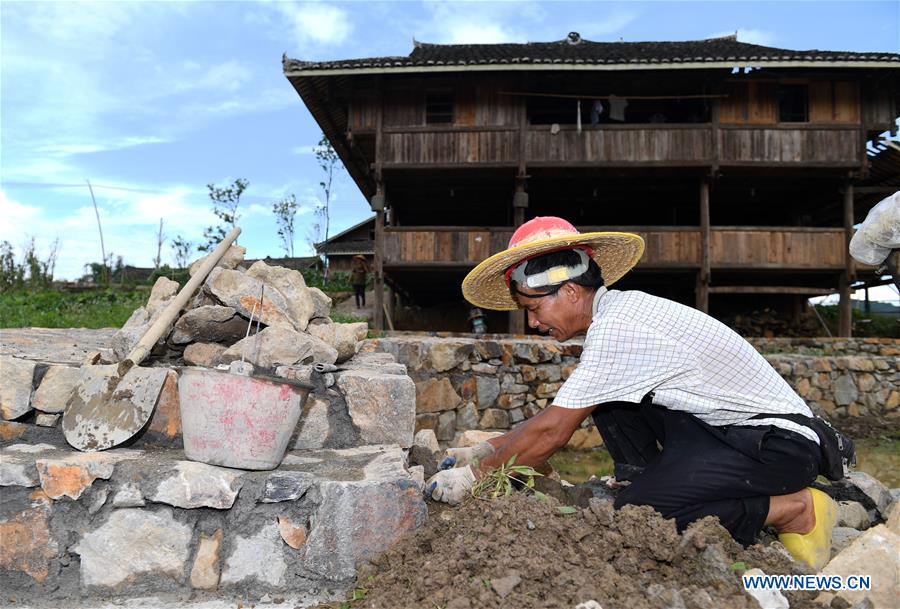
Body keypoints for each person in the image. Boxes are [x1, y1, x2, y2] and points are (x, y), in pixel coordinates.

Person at [427, 216, 838, 570]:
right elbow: (563, 409)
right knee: (609, 400)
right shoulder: (620, 313)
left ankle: (794, 509)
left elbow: (553, 431)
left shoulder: (618, 329)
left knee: (638, 519)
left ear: (569, 292)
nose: (533, 323)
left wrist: (474, 477)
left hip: (779, 447)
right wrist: (487, 450)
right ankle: (649, 482)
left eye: (534, 309)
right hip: (731, 435)